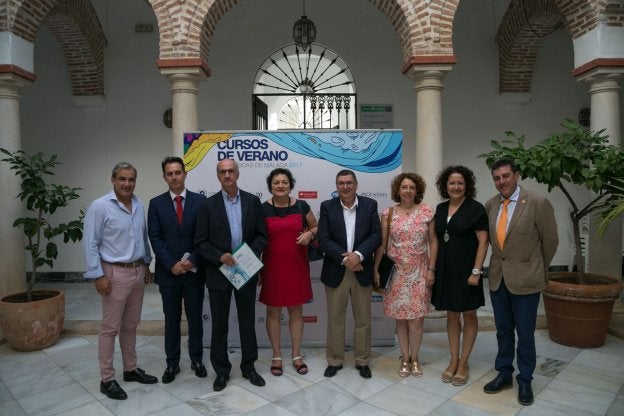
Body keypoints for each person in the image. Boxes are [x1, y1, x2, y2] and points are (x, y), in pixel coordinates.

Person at [483, 159, 558, 406]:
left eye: (506, 176)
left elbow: (550, 241)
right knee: (503, 331)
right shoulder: (490, 205)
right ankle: (504, 373)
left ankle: (525, 379)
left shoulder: (537, 202)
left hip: (526, 280)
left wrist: (537, 268)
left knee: (525, 334)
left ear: (516, 175)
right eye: (497, 178)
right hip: (498, 279)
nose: (501, 182)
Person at [83, 162, 157, 401]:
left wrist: (147, 263)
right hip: (113, 274)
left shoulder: (138, 204)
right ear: (113, 180)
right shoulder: (100, 207)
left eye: (131, 179)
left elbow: (142, 237)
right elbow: (90, 243)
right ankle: (107, 379)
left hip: (137, 271)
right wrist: (98, 275)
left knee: (131, 325)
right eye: (122, 179)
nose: (127, 183)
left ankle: (130, 369)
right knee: (110, 329)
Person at [194, 159, 268, 392]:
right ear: (218, 176)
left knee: (247, 321)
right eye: (222, 172)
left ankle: (249, 367)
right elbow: (200, 242)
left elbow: (262, 235)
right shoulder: (207, 205)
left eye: (230, 171)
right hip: (219, 272)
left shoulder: (252, 201)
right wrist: (219, 256)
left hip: (245, 271)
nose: (227, 175)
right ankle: (222, 371)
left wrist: (248, 254)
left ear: (237, 173)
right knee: (219, 324)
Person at [147, 157, 207, 384]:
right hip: (168, 274)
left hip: (194, 273)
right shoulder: (156, 204)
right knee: (171, 320)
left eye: (178, 172)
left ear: (185, 174)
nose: (174, 177)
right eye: (169, 173)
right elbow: (155, 237)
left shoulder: (200, 202)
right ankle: (172, 363)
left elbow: (205, 235)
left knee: (195, 320)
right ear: (164, 177)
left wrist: (193, 260)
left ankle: (196, 360)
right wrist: (171, 264)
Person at [318, 169, 381, 379]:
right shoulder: (327, 207)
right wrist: (346, 259)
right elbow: (323, 239)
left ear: (356, 184)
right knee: (335, 318)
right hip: (337, 269)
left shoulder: (370, 205)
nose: (345, 187)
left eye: (349, 183)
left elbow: (376, 235)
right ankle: (335, 360)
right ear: (336, 186)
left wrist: (358, 255)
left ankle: (362, 360)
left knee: (363, 319)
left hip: (362, 269)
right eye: (341, 183)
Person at [373, 172, 437, 378]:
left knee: (417, 319)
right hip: (396, 273)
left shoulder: (426, 211)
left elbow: (433, 241)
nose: (408, 191)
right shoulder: (388, 213)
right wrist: (376, 269)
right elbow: (382, 245)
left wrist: (431, 269)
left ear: (417, 190)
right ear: (398, 190)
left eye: (411, 187)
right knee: (401, 319)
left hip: (419, 271)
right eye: (404, 187)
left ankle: (415, 358)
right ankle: (405, 358)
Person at [430, 166, 488, 386]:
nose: (456, 187)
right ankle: (453, 360)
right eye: (452, 183)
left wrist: (476, 271)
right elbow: (436, 240)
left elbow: (483, 242)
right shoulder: (440, 208)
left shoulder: (476, 209)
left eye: (460, 183)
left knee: (469, 315)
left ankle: (464, 363)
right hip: (446, 270)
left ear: (467, 185)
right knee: (452, 315)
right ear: (445, 186)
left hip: (467, 272)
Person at [259, 168, 317, 376]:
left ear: (290, 185)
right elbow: (256, 239)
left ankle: (296, 355)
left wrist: (310, 234)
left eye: (284, 182)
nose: (280, 185)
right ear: (270, 186)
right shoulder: (262, 209)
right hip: (272, 268)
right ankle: (276, 355)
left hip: (297, 267)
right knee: (273, 312)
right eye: (276, 182)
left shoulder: (302, 206)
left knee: (296, 311)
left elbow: (316, 226)